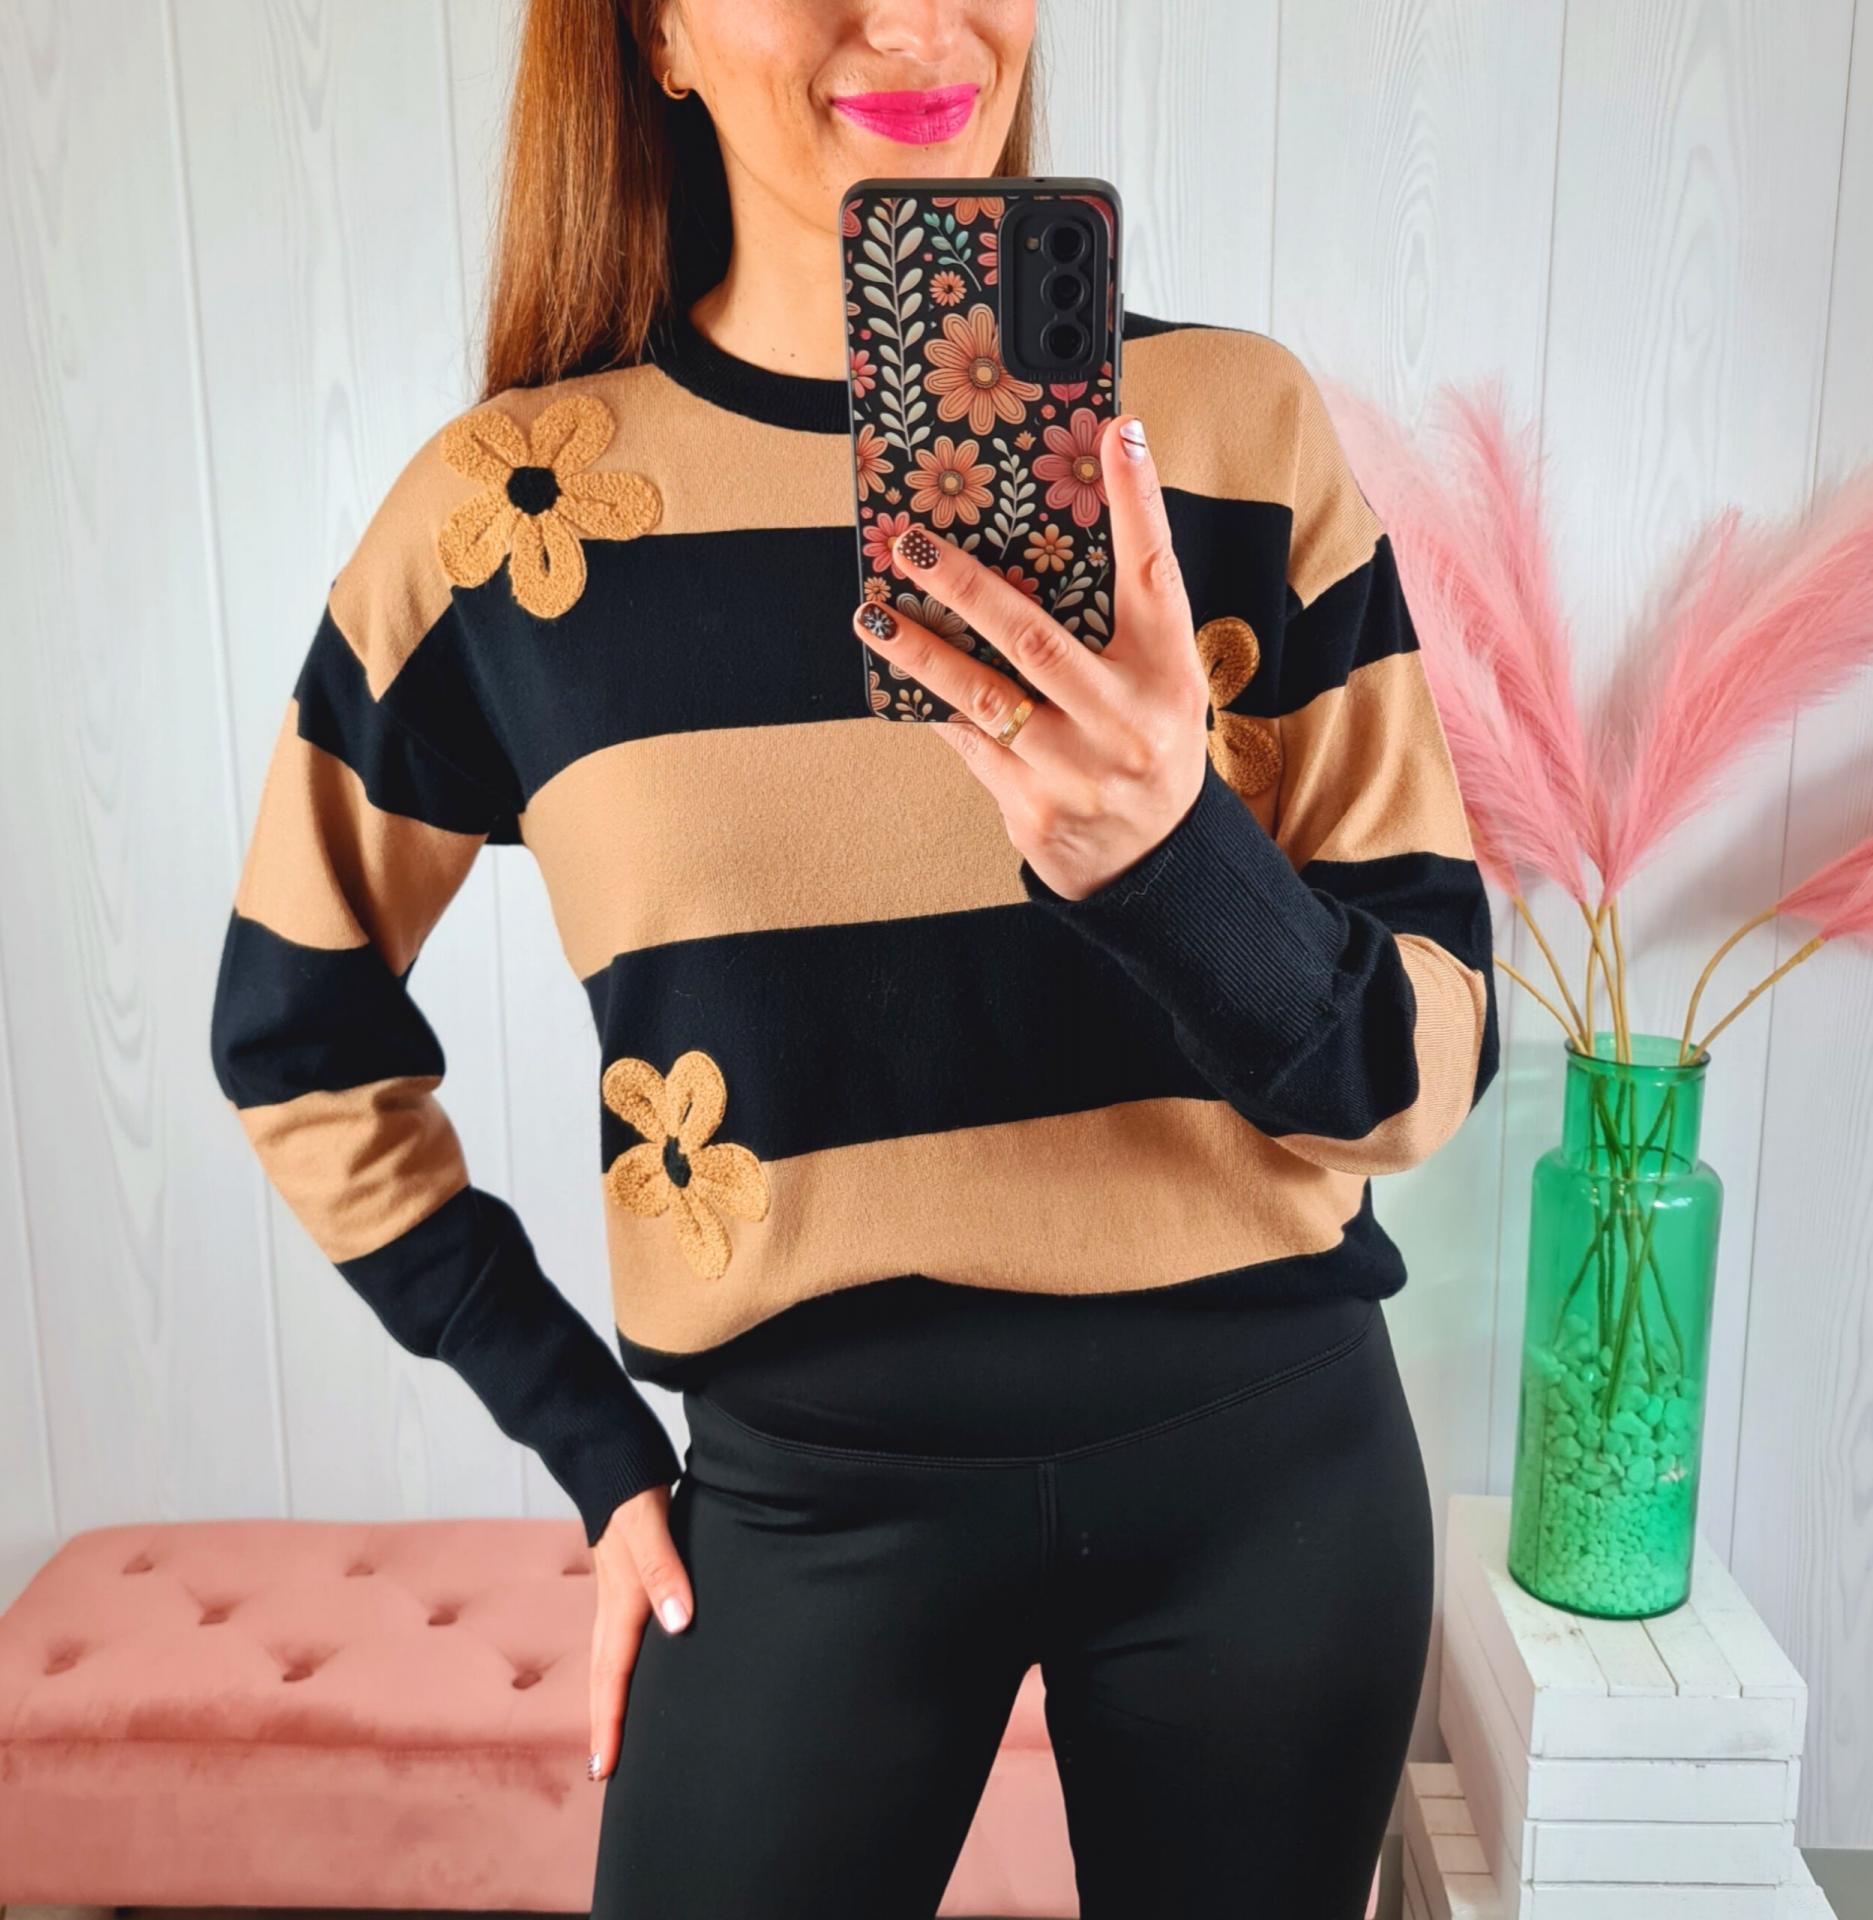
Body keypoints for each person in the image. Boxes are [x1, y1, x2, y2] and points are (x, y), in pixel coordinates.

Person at [207, 0, 1499, 1913]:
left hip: (1275, 1485)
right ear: (654, 34)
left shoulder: (1232, 436)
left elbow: (1427, 1069)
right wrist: (588, 1440)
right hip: (804, 1505)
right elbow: (294, 1035)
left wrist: (1168, 866)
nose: (903, 18)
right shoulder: (509, 517)